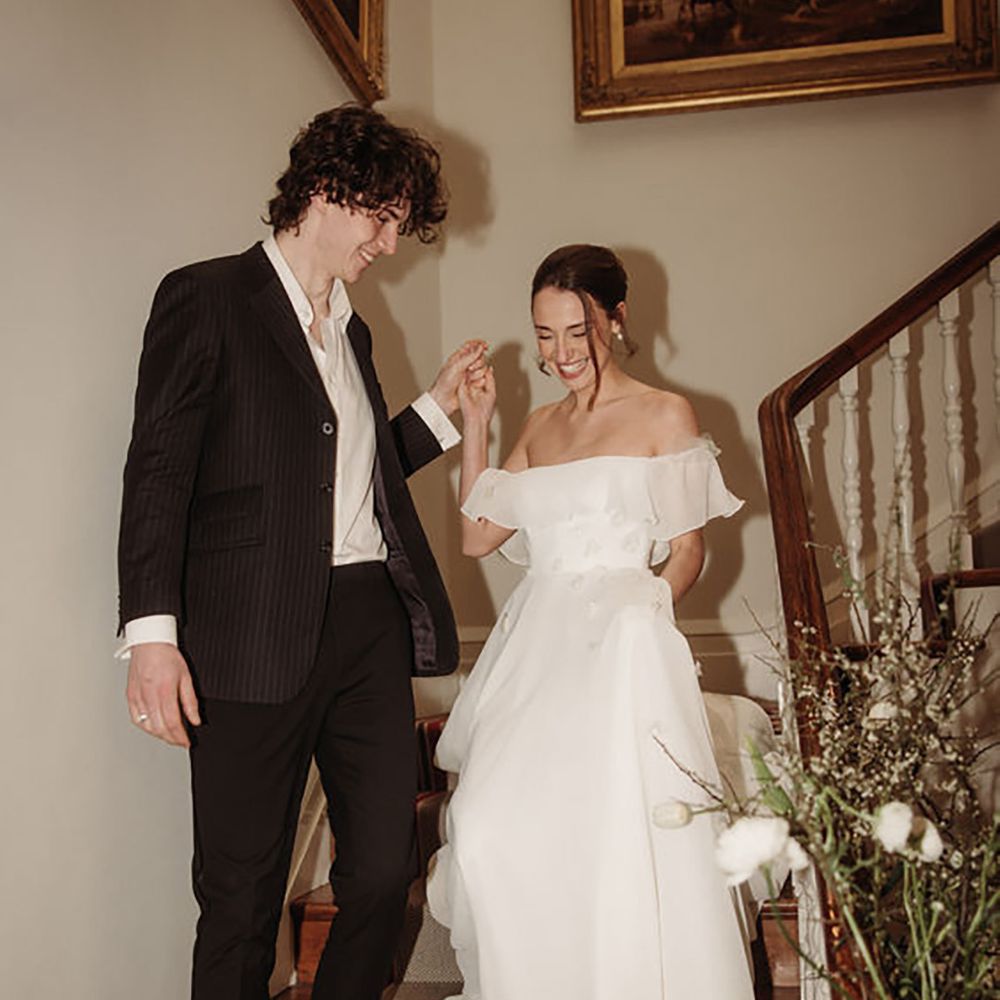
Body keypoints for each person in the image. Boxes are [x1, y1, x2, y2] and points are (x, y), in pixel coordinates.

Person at [117, 104, 487, 1000]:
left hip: (366, 623)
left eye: (401, 224)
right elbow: (159, 471)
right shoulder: (207, 298)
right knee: (240, 893)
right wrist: (151, 635)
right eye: (383, 217)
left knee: (381, 868)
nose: (391, 244)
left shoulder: (353, 331)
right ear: (326, 187)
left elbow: (342, 477)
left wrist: (436, 411)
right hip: (245, 632)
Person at [427, 244, 756, 998]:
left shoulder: (665, 413)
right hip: (535, 653)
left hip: (622, 649)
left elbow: (686, 551)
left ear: (616, 319)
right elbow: (480, 534)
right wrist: (478, 422)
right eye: (545, 335)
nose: (561, 352)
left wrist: (646, 614)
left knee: (612, 846)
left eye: (577, 331)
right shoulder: (540, 427)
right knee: (484, 833)